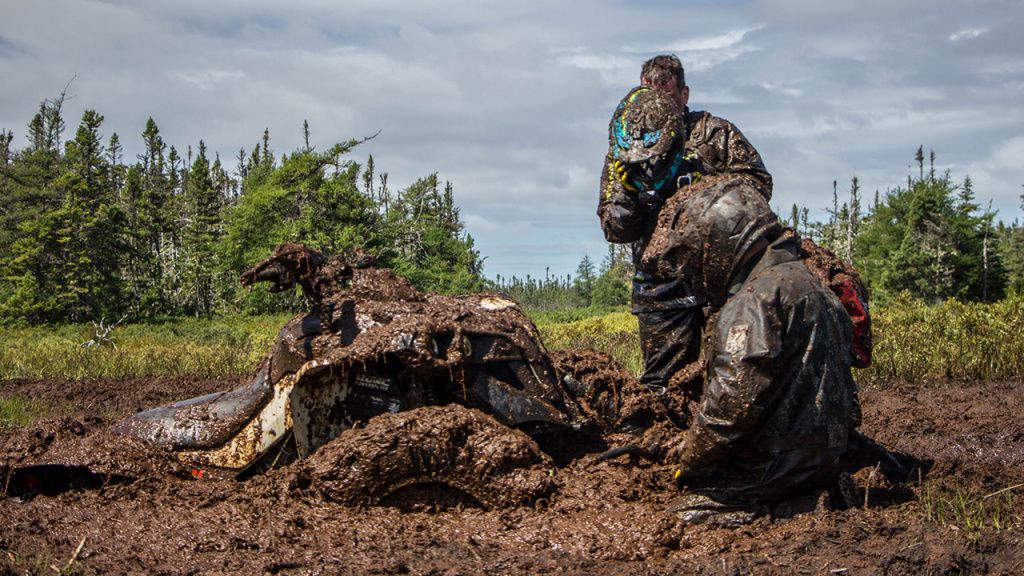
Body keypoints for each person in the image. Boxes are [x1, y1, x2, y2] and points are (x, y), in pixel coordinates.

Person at [667, 176, 861, 525]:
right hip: (825, 459)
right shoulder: (812, 284)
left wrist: (687, 462)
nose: (694, 272)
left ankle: (788, 511)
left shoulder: (754, 302)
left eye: (697, 259)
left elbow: (730, 406)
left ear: (721, 242)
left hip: (772, 470)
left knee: (674, 516)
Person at [598, 54, 772, 395]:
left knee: (735, 380)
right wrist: (630, 193)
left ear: (684, 94)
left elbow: (759, 185)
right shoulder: (626, 151)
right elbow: (613, 229)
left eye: (667, 95)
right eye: (650, 97)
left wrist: (703, 188)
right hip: (660, 286)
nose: (658, 105)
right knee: (662, 390)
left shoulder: (714, 133)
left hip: (721, 283)